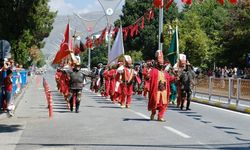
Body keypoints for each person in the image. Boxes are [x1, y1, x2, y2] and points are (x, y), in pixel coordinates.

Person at [148, 50, 175, 122]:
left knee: (163, 104)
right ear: (157, 63)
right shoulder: (153, 70)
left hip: (164, 91)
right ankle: (153, 113)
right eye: (160, 63)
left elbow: (169, 79)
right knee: (155, 102)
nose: (161, 65)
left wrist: (175, 78)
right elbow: (148, 78)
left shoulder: (165, 72)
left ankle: (160, 116)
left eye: (162, 63)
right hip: (156, 90)